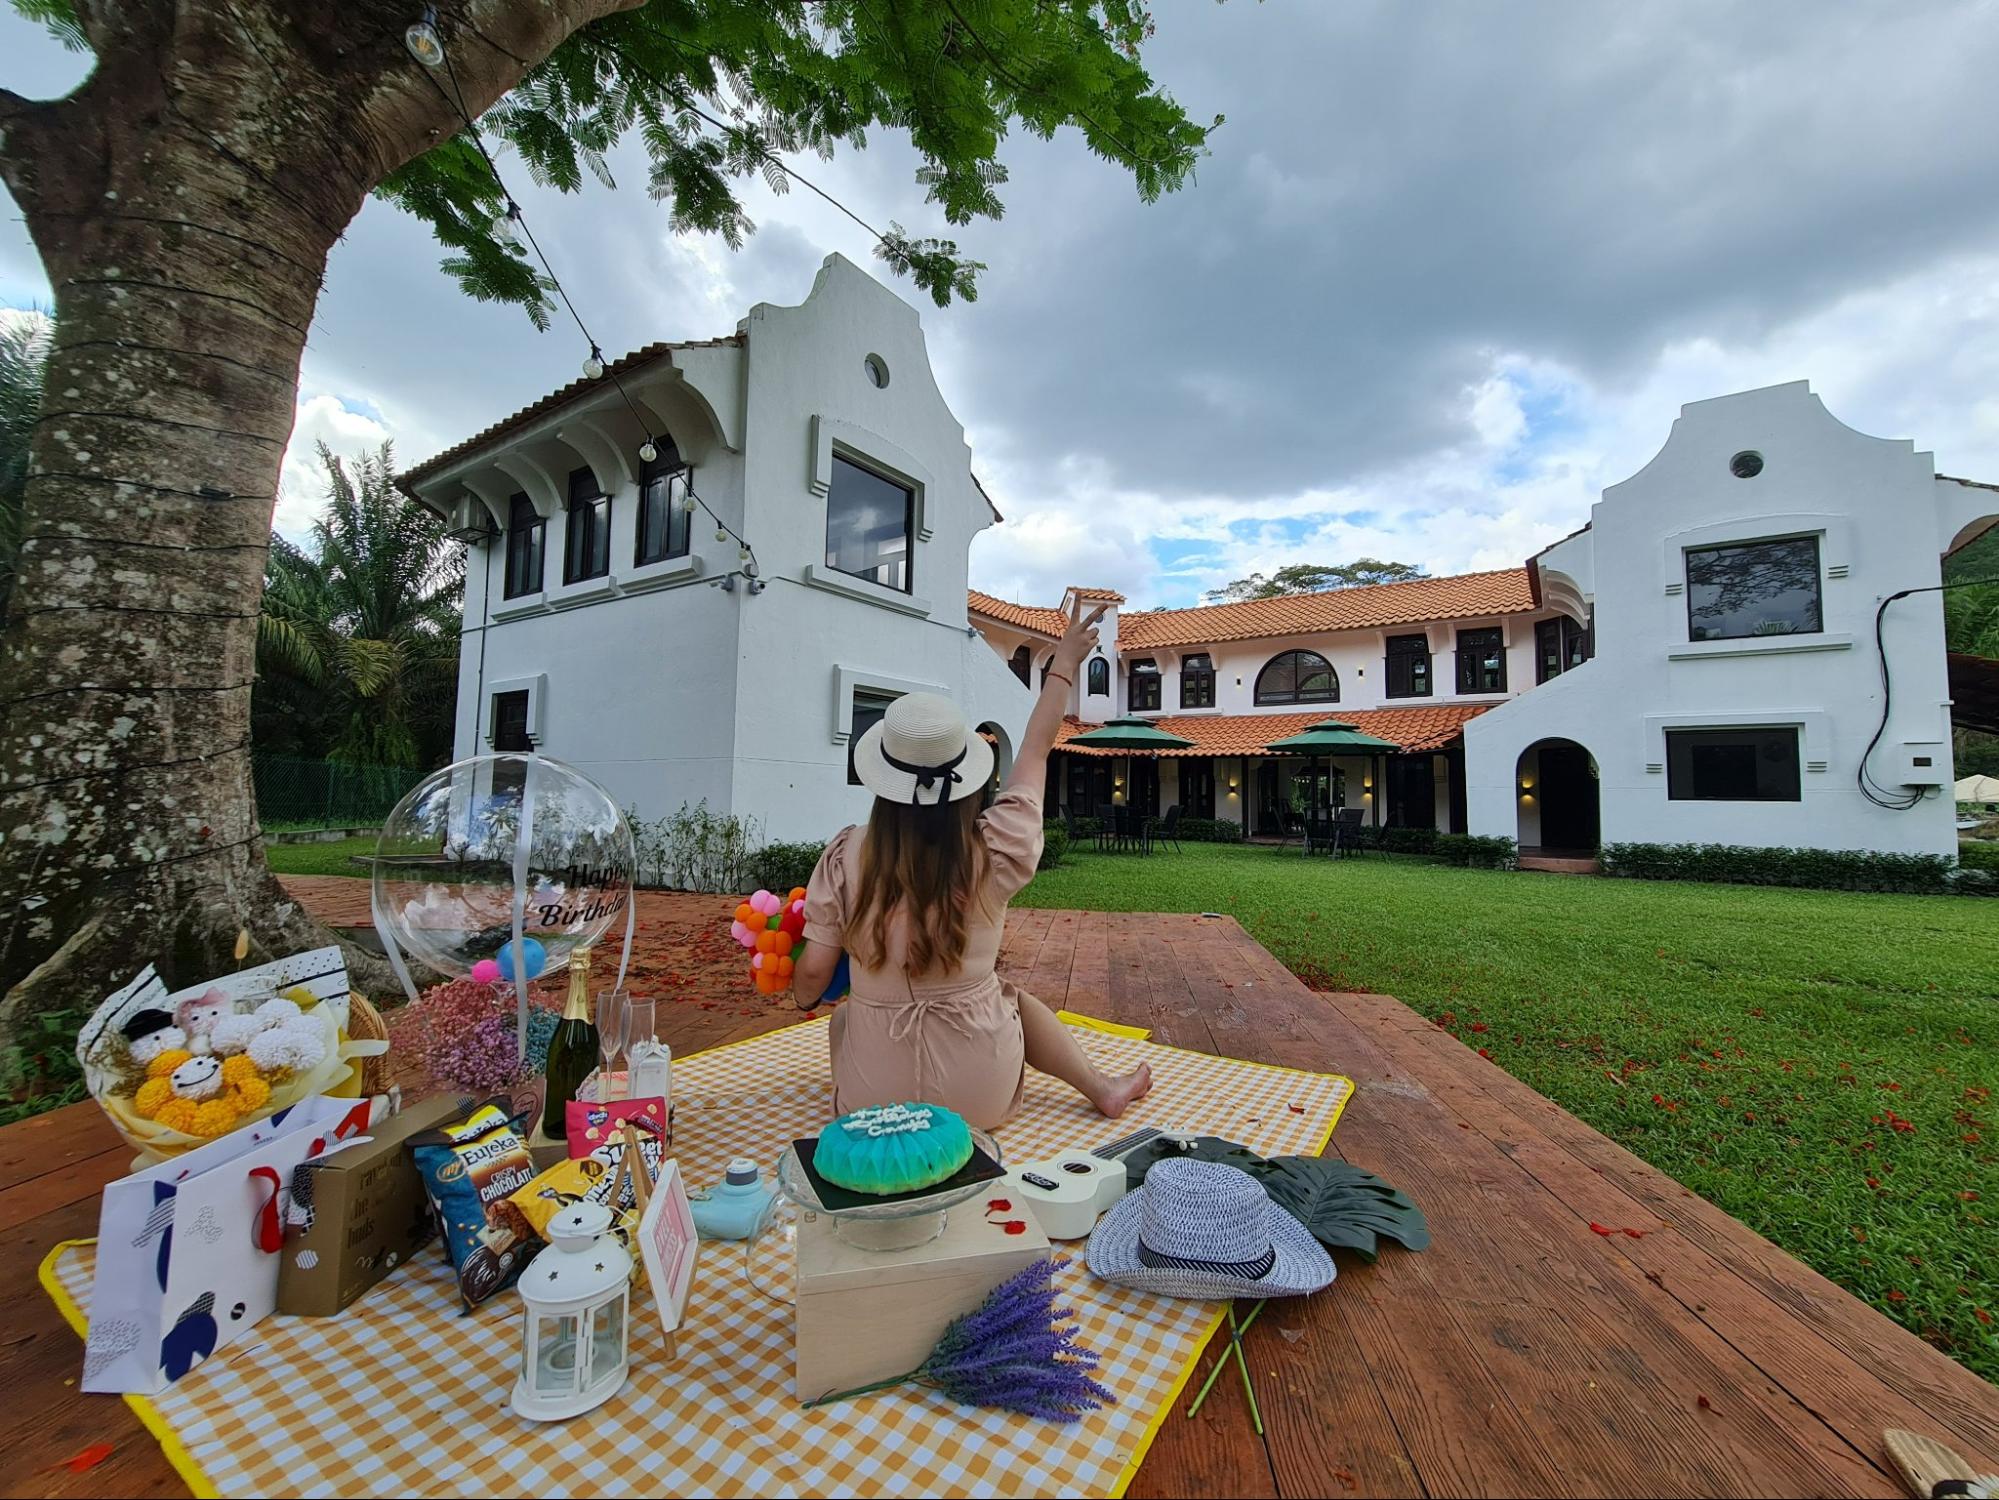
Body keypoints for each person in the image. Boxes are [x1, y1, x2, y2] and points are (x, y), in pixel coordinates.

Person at [791, 600, 1152, 1131]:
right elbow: (1035, 749)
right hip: (977, 1095)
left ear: (882, 781)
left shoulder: (845, 855)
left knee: (846, 1015)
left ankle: (880, 1105)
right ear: (967, 778)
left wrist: (801, 987)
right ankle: (1102, 1088)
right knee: (1011, 998)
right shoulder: (997, 848)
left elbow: (813, 978)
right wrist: (1065, 666)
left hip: (873, 1109)